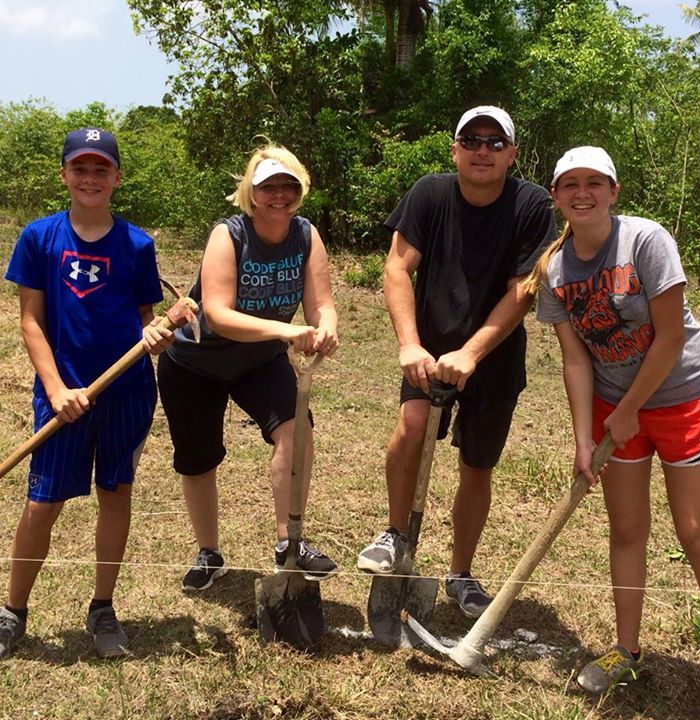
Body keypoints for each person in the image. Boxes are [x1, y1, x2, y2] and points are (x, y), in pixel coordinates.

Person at [527, 146, 700, 717]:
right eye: (569, 185)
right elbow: (575, 360)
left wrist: (632, 408)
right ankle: (626, 649)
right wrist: (584, 436)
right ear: (556, 196)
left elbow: (671, 337)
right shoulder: (554, 271)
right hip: (614, 409)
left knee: (695, 530)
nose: (581, 193)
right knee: (627, 530)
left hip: (685, 397)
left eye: (594, 183)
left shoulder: (646, 241)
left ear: (613, 190)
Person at [356, 105, 557, 618]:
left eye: (495, 142)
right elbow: (397, 267)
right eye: (472, 140)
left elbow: (524, 289)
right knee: (411, 427)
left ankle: (460, 573)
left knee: (477, 466)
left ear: (512, 153)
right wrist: (409, 344)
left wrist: (471, 353)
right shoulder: (429, 193)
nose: (482, 150)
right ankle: (397, 535)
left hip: (494, 354)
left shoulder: (532, 205)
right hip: (427, 349)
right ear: (455, 149)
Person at [0, 127, 173, 659]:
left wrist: (156, 339)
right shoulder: (39, 238)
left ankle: (102, 608)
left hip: (126, 393)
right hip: (61, 395)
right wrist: (55, 389)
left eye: (101, 169)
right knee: (42, 500)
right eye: (81, 168)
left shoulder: (137, 245)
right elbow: (31, 321)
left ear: (116, 178)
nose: (90, 178)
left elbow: (144, 322)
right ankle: (12, 612)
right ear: (64, 175)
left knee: (115, 494)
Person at [158, 143, 339, 592]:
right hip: (195, 362)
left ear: (300, 190)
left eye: (288, 186)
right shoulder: (229, 234)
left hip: (259, 359)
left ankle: (288, 543)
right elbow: (218, 314)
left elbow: (322, 305)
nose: (279, 194)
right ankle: (209, 553)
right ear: (251, 194)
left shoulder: (305, 235)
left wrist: (327, 327)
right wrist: (283, 332)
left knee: (296, 431)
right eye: (268, 186)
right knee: (199, 459)